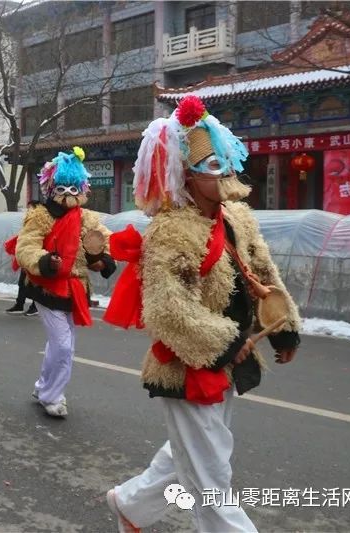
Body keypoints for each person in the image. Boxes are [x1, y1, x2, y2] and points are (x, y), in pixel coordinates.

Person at [104, 95, 301, 533]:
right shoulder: (171, 230)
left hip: (232, 356)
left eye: (226, 161)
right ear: (186, 177)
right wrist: (226, 343)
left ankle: (130, 505)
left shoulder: (239, 218)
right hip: (190, 361)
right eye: (212, 166)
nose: (225, 173)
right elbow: (167, 309)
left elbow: (265, 270)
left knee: (195, 452)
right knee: (211, 477)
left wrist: (284, 329)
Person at [15, 147, 116, 417]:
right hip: (46, 286)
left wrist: (103, 259)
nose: (69, 194)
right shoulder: (40, 216)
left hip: (74, 288)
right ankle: (52, 396)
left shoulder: (87, 218)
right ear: (51, 187)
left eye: (74, 188)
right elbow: (25, 247)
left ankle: (42, 387)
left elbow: (103, 239)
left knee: (60, 343)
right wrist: (47, 261)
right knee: (63, 345)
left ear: (82, 188)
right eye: (63, 187)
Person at [5, 201, 41, 316]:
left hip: (35, 256)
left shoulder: (41, 222)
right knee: (22, 282)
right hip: (25, 256)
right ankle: (19, 304)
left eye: (30, 208)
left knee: (35, 283)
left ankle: (35, 306)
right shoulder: (28, 222)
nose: (28, 210)